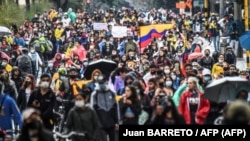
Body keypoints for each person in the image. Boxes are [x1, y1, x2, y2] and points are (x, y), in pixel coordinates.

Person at [90, 74, 118, 141]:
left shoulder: (111, 93)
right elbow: (93, 111)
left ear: (106, 81)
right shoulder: (94, 95)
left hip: (111, 123)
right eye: (100, 83)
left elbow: (116, 108)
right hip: (100, 124)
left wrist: (117, 122)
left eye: (102, 82)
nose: (101, 84)